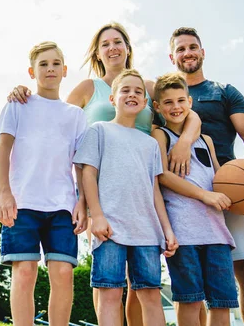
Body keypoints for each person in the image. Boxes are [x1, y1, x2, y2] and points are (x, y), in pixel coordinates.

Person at [8, 22, 202, 325]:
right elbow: (52, 116)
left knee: (143, 285)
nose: (112, 48)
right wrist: (24, 93)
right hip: (100, 192)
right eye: (105, 44)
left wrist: (185, 143)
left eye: (118, 41)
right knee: (109, 280)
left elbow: (186, 109)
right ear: (98, 53)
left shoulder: (148, 87)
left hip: (142, 186)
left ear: (127, 47)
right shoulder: (88, 89)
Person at [168, 27, 244, 326]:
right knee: (193, 283)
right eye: (181, 49)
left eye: (193, 47)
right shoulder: (166, 95)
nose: (187, 52)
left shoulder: (223, 91)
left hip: (232, 185)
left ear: (203, 52)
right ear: (172, 57)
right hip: (184, 191)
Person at [73, 69, 178, 326]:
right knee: (110, 294)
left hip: (146, 233)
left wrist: (166, 228)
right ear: (112, 98)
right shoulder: (99, 131)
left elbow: (154, 190)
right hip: (110, 229)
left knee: (151, 295)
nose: (132, 95)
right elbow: (88, 175)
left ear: (144, 103)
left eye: (138, 92)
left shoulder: (150, 144)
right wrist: (96, 215)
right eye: (125, 90)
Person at [0, 41, 88, 326]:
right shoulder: (18, 105)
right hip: (22, 202)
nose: (50, 69)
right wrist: (3, 193)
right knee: (24, 272)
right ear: (31, 72)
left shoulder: (75, 115)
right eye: (43, 64)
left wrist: (82, 201)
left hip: (62, 205)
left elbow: (81, 164)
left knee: (63, 273)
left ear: (65, 70)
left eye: (56, 63)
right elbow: (3, 148)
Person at [151, 73, 238, 326]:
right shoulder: (160, 136)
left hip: (217, 233)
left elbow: (221, 179)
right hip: (184, 233)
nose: (175, 107)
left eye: (180, 100)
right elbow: (163, 176)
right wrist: (204, 195)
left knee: (222, 305)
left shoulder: (206, 140)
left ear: (190, 102)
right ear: (157, 106)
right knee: (189, 301)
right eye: (168, 102)